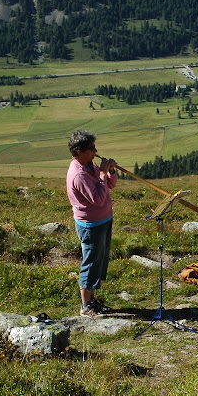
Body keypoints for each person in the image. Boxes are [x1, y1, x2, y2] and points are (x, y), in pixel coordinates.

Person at [66, 130, 117, 318]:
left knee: (98, 261)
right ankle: (86, 306)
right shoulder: (78, 175)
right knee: (90, 263)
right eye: (91, 148)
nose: (95, 151)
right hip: (91, 225)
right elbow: (98, 199)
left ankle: (92, 301)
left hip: (103, 220)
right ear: (79, 151)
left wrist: (110, 172)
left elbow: (110, 185)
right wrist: (103, 174)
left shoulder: (89, 165)